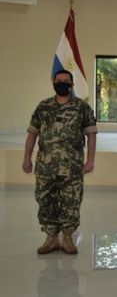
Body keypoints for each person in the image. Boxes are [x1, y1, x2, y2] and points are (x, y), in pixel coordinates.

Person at [22, 69, 97, 255]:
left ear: (72, 85)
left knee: (71, 202)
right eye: (58, 80)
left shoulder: (82, 107)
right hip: (45, 167)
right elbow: (32, 134)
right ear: (53, 83)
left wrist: (90, 161)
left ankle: (68, 238)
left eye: (66, 81)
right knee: (45, 201)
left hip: (72, 167)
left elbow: (91, 135)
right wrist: (26, 159)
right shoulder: (43, 106)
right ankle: (51, 239)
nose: (62, 83)